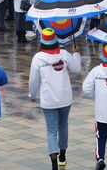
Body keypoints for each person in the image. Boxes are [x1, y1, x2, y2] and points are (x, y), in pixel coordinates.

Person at [28, 28, 81, 170]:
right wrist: (76, 53)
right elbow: (76, 69)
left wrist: (32, 96)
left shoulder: (38, 58)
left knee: (51, 130)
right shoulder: (64, 54)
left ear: (42, 42)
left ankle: (54, 164)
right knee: (63, 126)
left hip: (48, 100)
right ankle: (63, 156)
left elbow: (34, 81)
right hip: (65, 98)